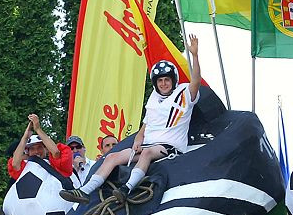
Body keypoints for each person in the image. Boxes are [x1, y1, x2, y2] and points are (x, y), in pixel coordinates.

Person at [61, 35, 201, 205]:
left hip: (169, 147)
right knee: (112, 157)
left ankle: (126, 189)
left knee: (147, 153)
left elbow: (195, 82)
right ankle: (84, 191)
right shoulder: (154, 99)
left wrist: (194, 55)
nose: (164, 84)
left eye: (167, 80)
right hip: (147, 145)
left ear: (173, 80)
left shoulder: (184, 93)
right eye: (160, 81)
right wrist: (137, 139)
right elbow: (146, 124)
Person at [7, 113, 73, 181]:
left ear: (46, 149)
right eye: (32, 148)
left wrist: (38, 129)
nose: (36, 151)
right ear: (28, 152)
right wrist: (25, 137)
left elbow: (56, 152)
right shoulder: (25, 166)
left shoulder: (54, 164)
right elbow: (14, 164)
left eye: (39, 147)